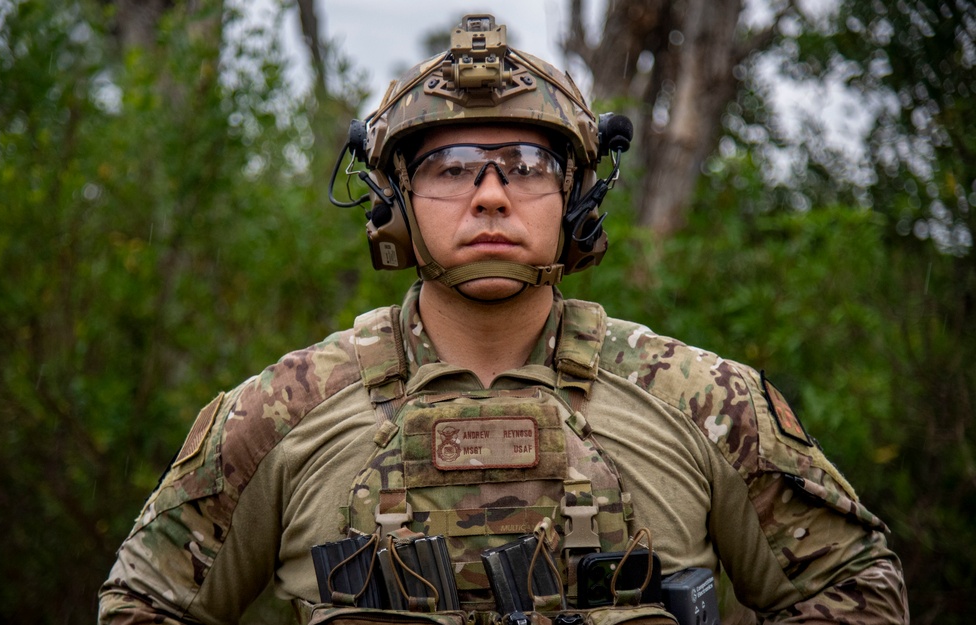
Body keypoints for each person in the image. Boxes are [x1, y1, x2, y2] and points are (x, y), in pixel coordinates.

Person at [98, 13, 909, 625]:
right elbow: (143, 601)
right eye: (451, 166)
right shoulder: (282, 413)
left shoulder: (706, 403)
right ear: (395, 202)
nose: (490, 193)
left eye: (526, 165)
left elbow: (858, 586)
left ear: (576, 198)